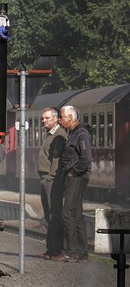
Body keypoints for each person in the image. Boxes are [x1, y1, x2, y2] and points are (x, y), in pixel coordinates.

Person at [56, 105, 92, 262]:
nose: (60, 120)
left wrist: (74, 171)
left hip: (77, 178)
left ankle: (72, 251)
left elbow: (86, 158)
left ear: (70, 117)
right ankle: (82, 252)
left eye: (62, 117)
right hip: (74, 177)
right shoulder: (73, 133)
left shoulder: (81, 133)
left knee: (67, 213)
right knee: (76, 213)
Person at [37, 107, 67, 260]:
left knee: (55, 214)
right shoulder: (50, 134)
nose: (44, 121)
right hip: (46, 179)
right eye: (43, 118)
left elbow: (56, 159)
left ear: (55, 119)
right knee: (49, 215)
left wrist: (51, 176)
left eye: (46, 118)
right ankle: (50, 249)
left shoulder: (59, 134)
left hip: (51, 180)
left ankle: (57, 249)